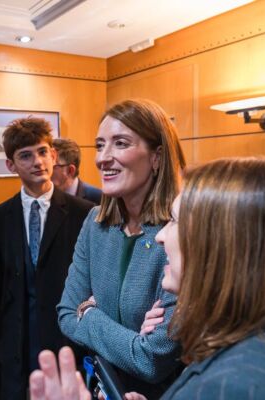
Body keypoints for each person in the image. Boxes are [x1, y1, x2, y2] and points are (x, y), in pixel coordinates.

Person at [31, 157, 265, 400]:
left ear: (224, 247)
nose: (160, 236)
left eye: (173, 221)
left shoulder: (235, 385)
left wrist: (90, 313)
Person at [57, 99, 186, 398]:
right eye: (100, 145)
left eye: (121, 143)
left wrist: (89, 314)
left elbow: (152, 360)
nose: (103, 158)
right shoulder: (95, 222)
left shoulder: (179, 232)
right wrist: (132, 342)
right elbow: (65, 313)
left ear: (156, 157)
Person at [0, 116, 94, 399]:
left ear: (53, 155)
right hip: (12, 346)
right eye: (26, 156)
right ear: (11, 165)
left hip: (67, 342)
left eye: (42, 152)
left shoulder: (84, 213)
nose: (37, 161)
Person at [51, 137, 102, 204]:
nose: (46, 170)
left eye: (52, 166)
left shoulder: (99, 198)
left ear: (70, 171)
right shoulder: (43, 197)